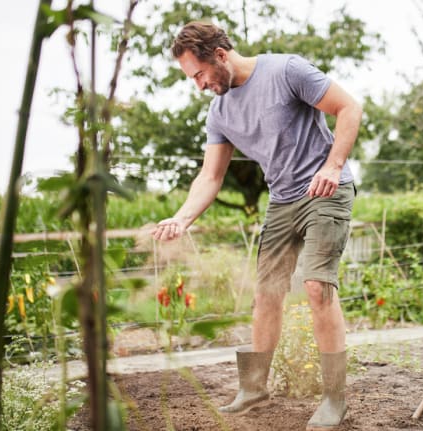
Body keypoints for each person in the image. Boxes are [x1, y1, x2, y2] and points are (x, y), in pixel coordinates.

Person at [152, 21, 361, 429]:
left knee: (317, 287)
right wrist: (181, 219)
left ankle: (335, 398)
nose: (198, 85)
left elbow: (348, 107)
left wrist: (334, 165)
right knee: (266, 292)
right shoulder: (220, 112)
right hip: (282, 200)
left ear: (220, 56)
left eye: (199, 74)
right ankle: (254, 388)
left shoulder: (287, 71)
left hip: (325, 191)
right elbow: (210, 177)